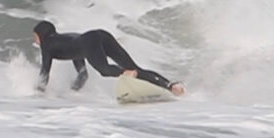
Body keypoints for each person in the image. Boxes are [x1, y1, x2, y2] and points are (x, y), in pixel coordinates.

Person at [33, 20, 185, 95]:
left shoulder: (47, 44)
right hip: (99, 35)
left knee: (105, 70)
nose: (35, 40)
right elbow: (83, 74)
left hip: (89, 41)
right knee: (134, 69)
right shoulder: (66, 42)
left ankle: (124, 73)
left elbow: (44, 71)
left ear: (41, 35)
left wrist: (38, 93)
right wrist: (73, 92)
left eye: (35, 36)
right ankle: (172, 87)